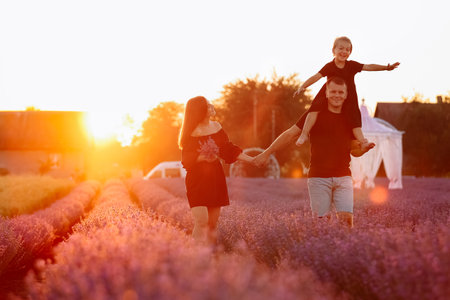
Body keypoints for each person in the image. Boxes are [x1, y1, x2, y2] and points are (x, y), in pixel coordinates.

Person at [254, 76, 375, 227]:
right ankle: (323, 250)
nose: (337, 95)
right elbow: (290, 134)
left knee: (346, 222)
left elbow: (354, 150)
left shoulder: (350, 117)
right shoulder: (314, 115)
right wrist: (267, 152)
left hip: (344, 176)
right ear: (326, 93)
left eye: (340, 92)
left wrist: (363, 149)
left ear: (346, 94)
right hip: (319, 178)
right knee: (321, 225)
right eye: (333, 92)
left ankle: (343, 250)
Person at [294, 36, 400, 147]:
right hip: (331, 96)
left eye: (347, 50)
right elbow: (316, 76)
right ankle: (304, 134)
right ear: (333, 50)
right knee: (314, 107)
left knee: (354, 118)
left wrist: (386, 68)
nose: (344, 51)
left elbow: (368, 66)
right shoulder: (329, 66)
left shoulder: (352, 65)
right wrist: (303, 86)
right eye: (341, 48)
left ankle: (363, 141)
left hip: (349, 97)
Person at [179, 96, 253, 243]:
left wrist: (253, 160)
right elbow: (186, 160)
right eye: (208, 104)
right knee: (201, 220)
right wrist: (203, 157)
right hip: (197, 180)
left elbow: (228, 150)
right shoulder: (190, 133)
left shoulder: (217, 127)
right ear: (200, 110)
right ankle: (197, 256)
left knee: (212, 225)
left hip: (215, 177)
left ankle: (209, 257)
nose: (212, 105)